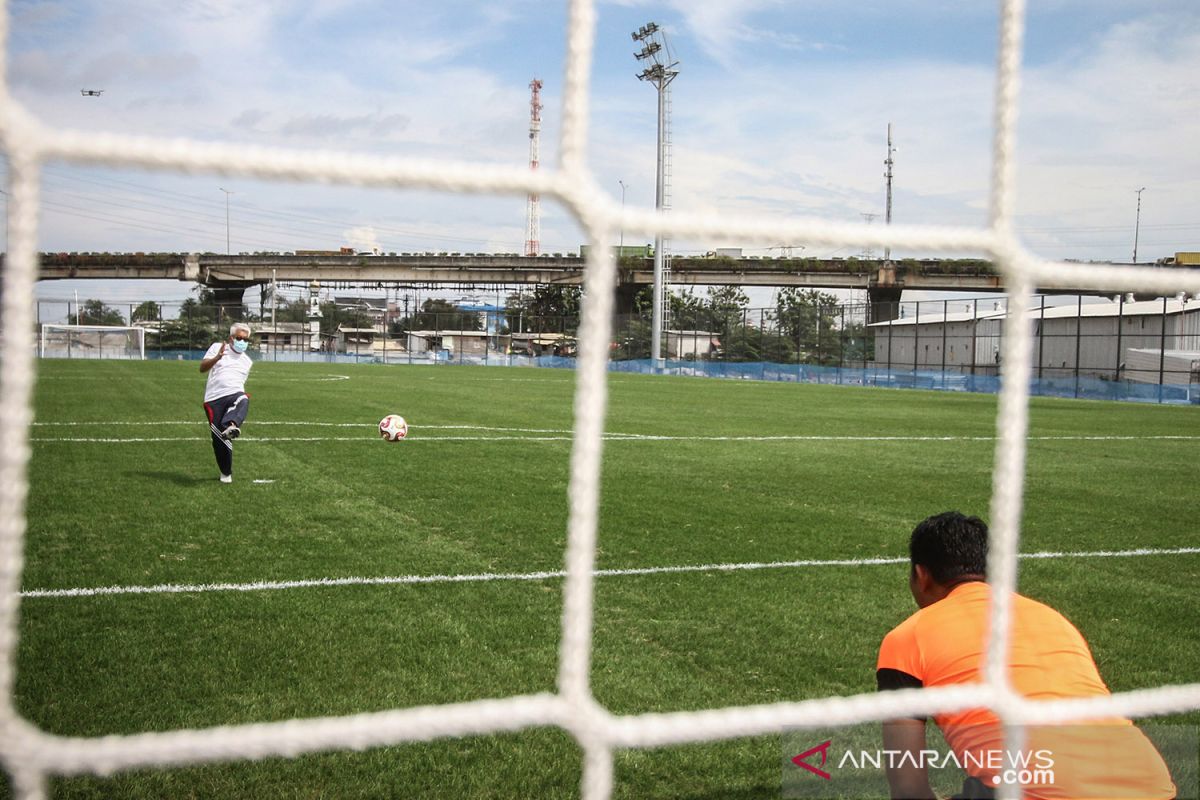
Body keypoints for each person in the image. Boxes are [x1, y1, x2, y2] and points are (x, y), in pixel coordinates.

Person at [876, 511, 1175, 800]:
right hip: (1154, 785)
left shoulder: (906, 638)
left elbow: (908, 791)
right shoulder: (1054, 619)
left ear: (921, 575)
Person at [200, 322, 253, 484]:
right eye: (239, 338)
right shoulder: (218, 347)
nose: (242, 342)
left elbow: (241, 382)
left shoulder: (247, 361)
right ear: (231, 338)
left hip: (234, 393)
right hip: (213, 399)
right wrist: (217, 357)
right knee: (219, 439)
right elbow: (202, 368)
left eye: (246, 340)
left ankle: (231, 424)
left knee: (243, 398)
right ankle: (225, 472)